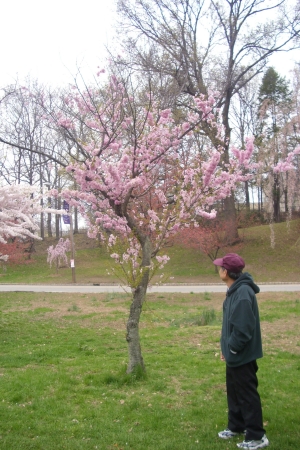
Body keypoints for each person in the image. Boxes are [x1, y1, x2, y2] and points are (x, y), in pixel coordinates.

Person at [213, 253, 269, 450]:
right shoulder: (234, 290)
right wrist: (224, 349)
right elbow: (230, 326)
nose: (219, 270)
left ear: (226, 272)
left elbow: (243, 330)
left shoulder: (243, 292)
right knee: (235, 393)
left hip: (242, 355)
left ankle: (256, 436)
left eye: (221, 267)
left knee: (246, 395)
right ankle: (236, 426)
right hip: (234, 354)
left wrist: (233, 349)